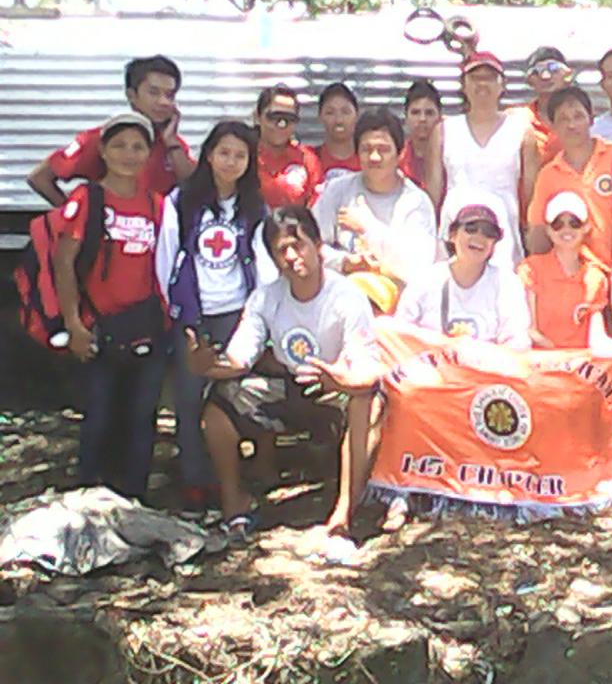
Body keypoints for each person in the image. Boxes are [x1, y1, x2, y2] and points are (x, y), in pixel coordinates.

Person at [184, 207, 380, 540]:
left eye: (298, 245)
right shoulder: (265, 297)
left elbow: (367, 371)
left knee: (368, 403)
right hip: (287, 387)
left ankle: (344, 512)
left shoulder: (347, 297)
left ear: (317, 245)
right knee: (220, 402)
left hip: (334, 387)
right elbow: (239, 359)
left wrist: (340, 380)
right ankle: (235, 504)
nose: (291, 256)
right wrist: (205, 365)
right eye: (281, 250)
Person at [155, 120, 275, 517]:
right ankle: (194, 481)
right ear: (208, 155)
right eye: (224, 152)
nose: (231, 161)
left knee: (231, 398)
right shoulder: (182, 201)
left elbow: (264, 264)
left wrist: (261, 314)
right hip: (194, 314)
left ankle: (237, 476)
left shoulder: (254, 206)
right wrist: (177, 311)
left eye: (240, 155)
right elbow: (167, 256)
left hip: (237, 312)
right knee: (189, 400)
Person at [53, 112, 169, 499]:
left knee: (141, 419)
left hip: (146, 330)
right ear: (102, 150)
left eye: (138, 146)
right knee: (99, 417)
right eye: (119, 145)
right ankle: (86, 499)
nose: (128, 154)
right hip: (98, 329)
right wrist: (73, 324)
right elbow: (63, 262)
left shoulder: (157, 205)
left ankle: (132, 501)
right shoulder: (88, 198)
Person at [27, 55, 195, 205]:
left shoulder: (174, 146)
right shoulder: (102, 139)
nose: (163, 102)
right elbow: (39, 178)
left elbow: (195, 188)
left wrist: (172, 142)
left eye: (170, 95)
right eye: (154, 93)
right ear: (131, 95)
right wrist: (77, 218)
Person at [425, 51, 540, 267]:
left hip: (502, 239)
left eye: (489, 78)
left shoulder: (521, 131)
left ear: (502, 85)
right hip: (454, 235)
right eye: (475, 78)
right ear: (464, 85)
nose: (482, 85)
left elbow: (532, 197)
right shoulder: (444, 130)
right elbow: (432, 194)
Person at [312, 108, 436, 294]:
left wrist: (367, 226)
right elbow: (311, 246)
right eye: (366, 149)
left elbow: (417, 266)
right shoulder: (337, 191)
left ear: (400, 154)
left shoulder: (416, 202)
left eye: (383, 150)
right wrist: (345, 262)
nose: (374, 157)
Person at [395, 204, 531, 349]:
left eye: (489, 233)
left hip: (485, 367)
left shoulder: (507, 283)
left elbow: (517, 341)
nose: (479, 237)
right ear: (452, 235)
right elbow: (400, 331)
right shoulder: (427, 278)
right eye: (471, 229)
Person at [526, 86, 612, 270]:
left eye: (578, 116)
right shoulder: (548, 175)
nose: (572, 125)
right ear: (552, 126)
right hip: (576, 277)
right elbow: (538, 233)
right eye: (563, 119)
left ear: (591, 119)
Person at [518, 191, 610, 349]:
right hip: (540, 364)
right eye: (557, 224)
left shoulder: (595, 277)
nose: (566, 230)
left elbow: (597, 339)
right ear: (548, 229)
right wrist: (556, 355)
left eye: (574, 223)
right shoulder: (531, 269)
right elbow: (529, 330)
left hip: (579, 367)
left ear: (586, 227)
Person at [254, 84, 323, 207]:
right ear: (257, 117)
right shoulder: (243, 155)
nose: (281, 125)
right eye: (274, 117)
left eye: (289, 119)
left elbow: (316, 207)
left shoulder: (307, 160)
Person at [515, 45, 571, 161]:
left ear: (567, 75)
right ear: (529, 80)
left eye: (554, 69)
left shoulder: (579, 118)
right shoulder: (518, 119)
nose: (546, 77)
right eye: (537, 71)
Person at [399, 79, 442, 187]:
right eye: (415, 112)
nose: (422, 119)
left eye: (429, 113)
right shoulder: (397, 159)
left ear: (440, 116)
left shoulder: (451, 157)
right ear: (406, 116)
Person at [315, 82, 361, 183]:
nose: (339, 120)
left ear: (357, 115)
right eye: (330, 113)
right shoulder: (309, 160)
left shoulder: (368, 160)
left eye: (345, 112)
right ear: (320, 116)